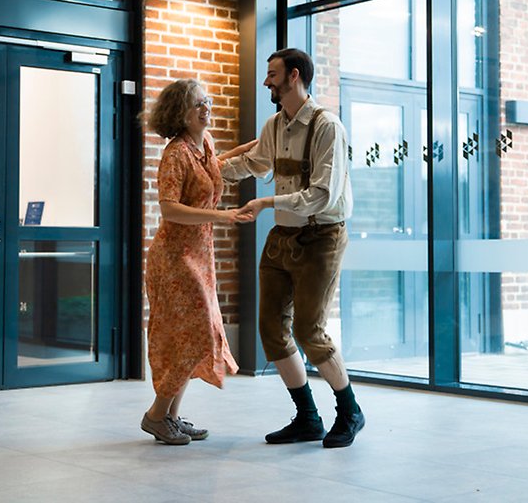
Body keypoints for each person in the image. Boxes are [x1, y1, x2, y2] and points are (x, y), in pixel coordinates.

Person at [221, 48, 364, 448]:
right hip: (282, 238)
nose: (266, 81)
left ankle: (350, 411)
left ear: (294, 76)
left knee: (308, 329)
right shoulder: (275, 124)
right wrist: (206, 166)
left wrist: (266, 203)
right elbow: (254, 164)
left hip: (321, 238)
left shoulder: (327, 127)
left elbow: (321, 194)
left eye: (272, 74)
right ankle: (307, 417)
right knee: (271, 329)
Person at [141, 79, 254, 445]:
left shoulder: (203, 144)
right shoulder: (175, 153)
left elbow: (213, 169)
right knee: (194, 334)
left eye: (207, 101)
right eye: (197, 105)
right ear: (180, 114)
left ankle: (171, 417)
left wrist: (257, 146)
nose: (206, 109)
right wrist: (222, 216)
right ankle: (156, 415)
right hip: (174, 258)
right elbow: (170, 209)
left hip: (199, 255)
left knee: (190, 336)